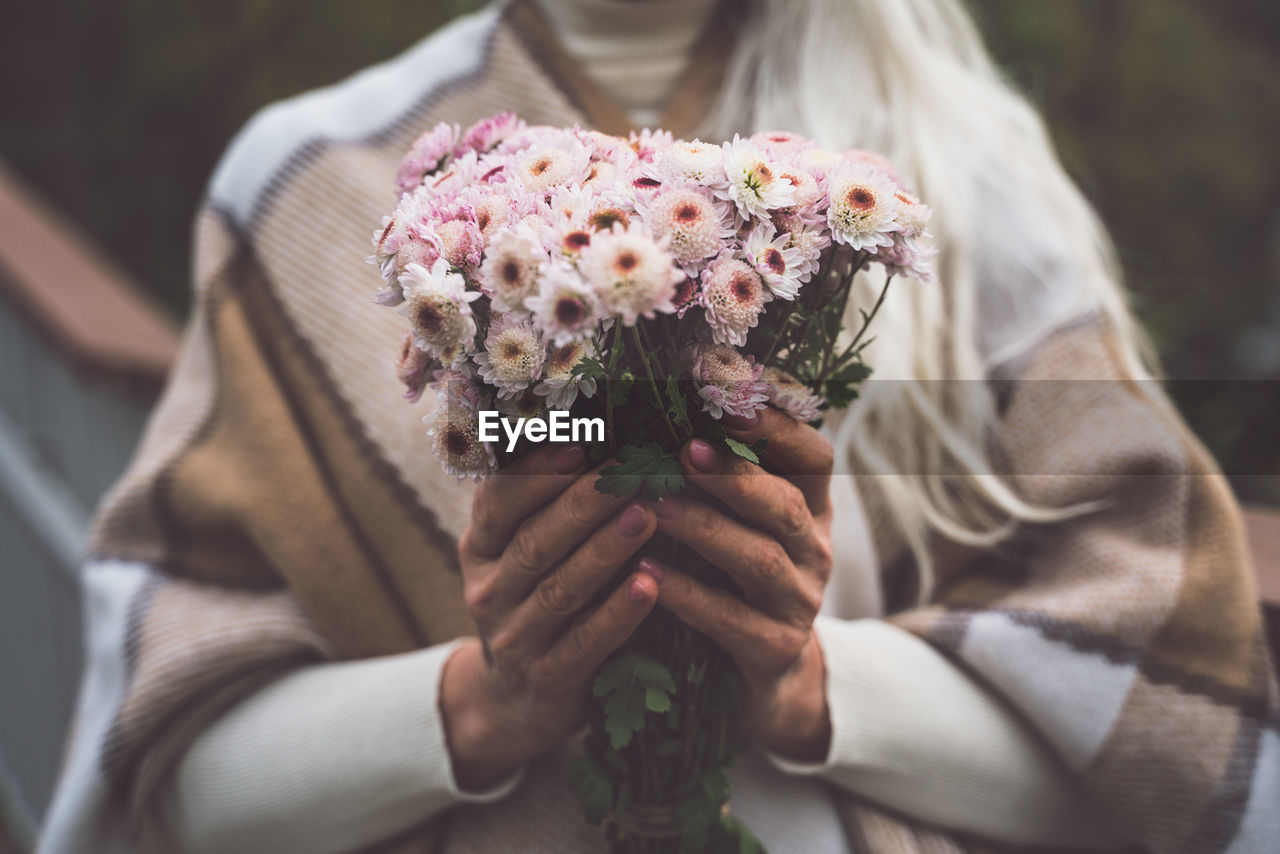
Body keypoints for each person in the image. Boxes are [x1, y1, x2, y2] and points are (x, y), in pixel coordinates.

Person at [38, 0, 1279, 852]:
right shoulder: (307, 188)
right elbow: (185, 769)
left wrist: (807, 689)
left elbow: (1146, 721)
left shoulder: (958, 182)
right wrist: (483, 702)